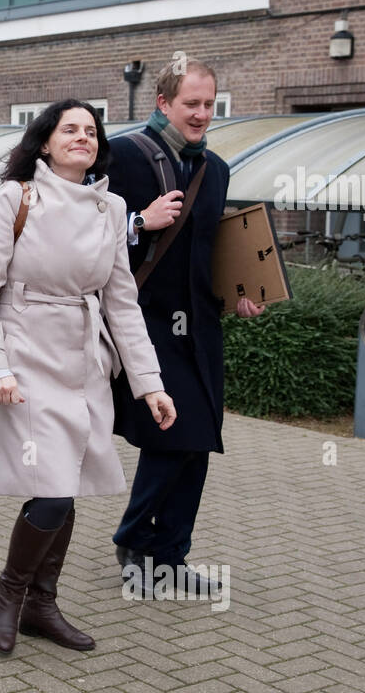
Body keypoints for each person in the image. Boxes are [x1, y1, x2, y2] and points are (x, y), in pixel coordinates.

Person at [0, 100, 175, 654]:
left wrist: (149, 383)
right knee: (53, 489)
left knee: (67, 484)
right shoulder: (17, 197)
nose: (82, 137)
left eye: (90, 130)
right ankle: (10, 594)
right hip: (26, 358)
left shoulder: (112, 208)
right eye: (69, 129)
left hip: (86, 362)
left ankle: (42, 603)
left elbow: (123, 304)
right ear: (46, 142)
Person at [109, 58, 265, 595]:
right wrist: (137, 223)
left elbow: (210, 251)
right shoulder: (124, 156)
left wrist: (239, 294)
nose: (201, 114)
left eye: (208, 104)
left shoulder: (215, 169)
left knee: (200, 442)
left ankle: (170, 555)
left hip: (200, 327)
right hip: (145, 321)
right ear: (163, 104)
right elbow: (86, 230)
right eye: (190, 104)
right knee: (174, 435)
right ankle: (134, 539)